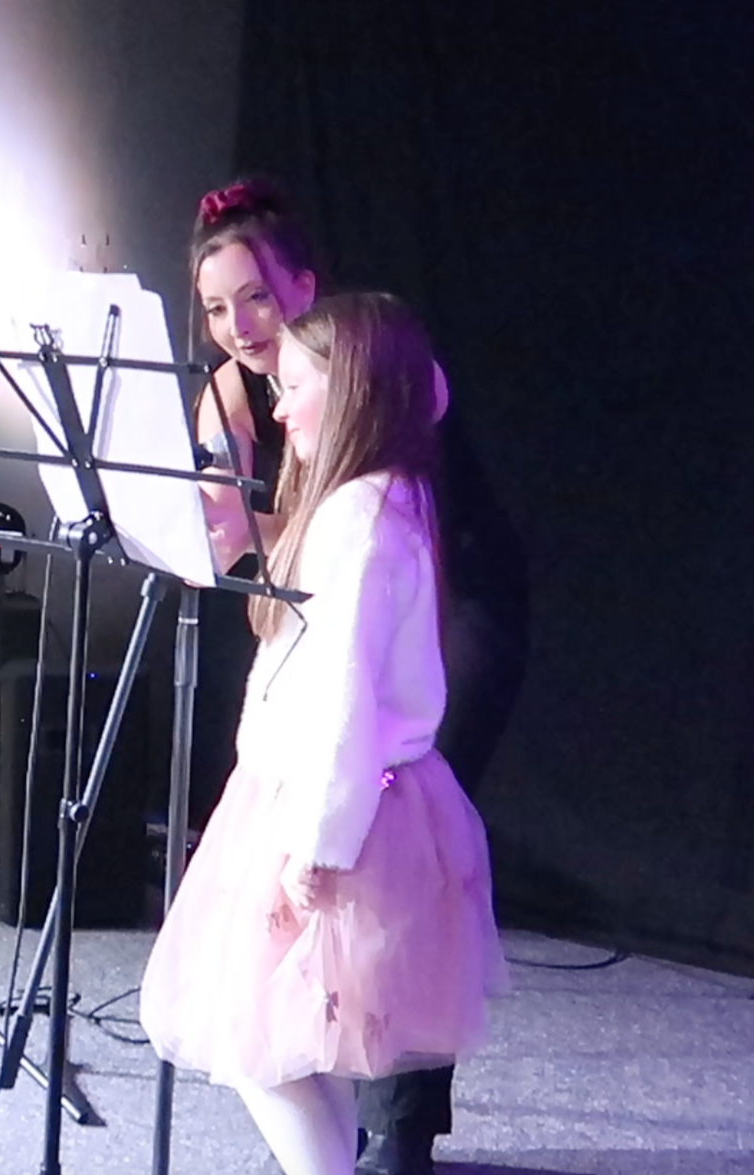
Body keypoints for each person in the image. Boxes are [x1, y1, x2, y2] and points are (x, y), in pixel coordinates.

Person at [187, 180, 533, 1175]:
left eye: (256, 297)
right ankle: (334, 1125)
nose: (239, 327)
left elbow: (349, 662)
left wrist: (322, 837)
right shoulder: (248, 397)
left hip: (451, 610)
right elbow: (261, 563)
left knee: (390, 864)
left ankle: (394, 1132)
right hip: (358, 615)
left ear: (304, 286)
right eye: (216, 308)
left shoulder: (376, 372)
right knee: (296, 936)